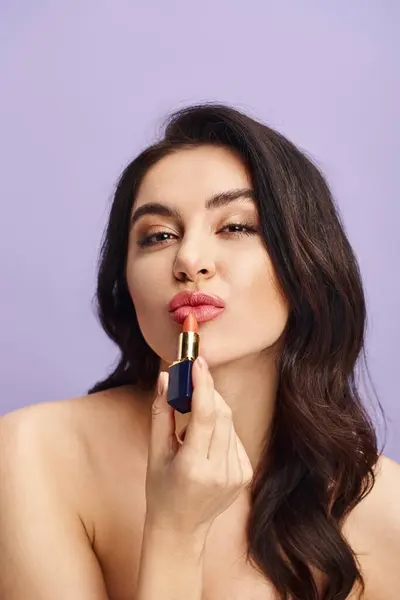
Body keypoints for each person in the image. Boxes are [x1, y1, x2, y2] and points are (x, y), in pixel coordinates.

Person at [0, 103, 399, 600]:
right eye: (159, 236)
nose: (188, 259)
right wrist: (174, 532)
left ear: (306, 262)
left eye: (235, 227)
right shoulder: (32, 454)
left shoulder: (385, 510)